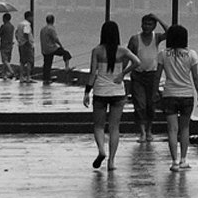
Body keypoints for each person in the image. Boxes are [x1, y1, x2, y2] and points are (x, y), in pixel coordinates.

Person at [84, 20, 132, 170]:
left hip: (100, 92)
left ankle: (101, 151)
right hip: (118, 92)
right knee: (114, 127)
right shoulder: (122, 50)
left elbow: (92, 73)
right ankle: (111, 162)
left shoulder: (97, 51)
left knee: (98, 126)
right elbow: (137, 61)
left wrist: (87, 92)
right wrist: (123, 74)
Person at [157, 23, 198, 172]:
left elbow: (157, 76)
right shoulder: (191, 54)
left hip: (169, 94)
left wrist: (155, 92)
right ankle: (184, 160)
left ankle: (174, 162)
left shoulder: (163, 54)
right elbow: (196, 77)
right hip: (186, 96)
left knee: (172, 129)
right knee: (184, 128)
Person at [126, 14, 164, 144]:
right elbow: (128, 56)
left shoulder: (156, 37)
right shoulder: (135, 39)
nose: (146, 27)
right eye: (145, 24)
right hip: (138, 75)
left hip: (152, 76)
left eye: (150, 24)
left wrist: (158, 18)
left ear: (154, 26)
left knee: (151, 104)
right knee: (140, 104)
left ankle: (149, 131)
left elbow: (170, 32)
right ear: (141, 24)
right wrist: (121, 73)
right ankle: (142, 132)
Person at [38, 14, 73, 79]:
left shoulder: (43, 29)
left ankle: (46, 79)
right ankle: (67, 67)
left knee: (47, 65)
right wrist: (61, 46)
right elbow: (55, 39)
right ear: (53, 21)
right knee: (66, 53)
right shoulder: (51, 29)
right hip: (52, 49)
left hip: (44, 50)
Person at [0, 12, 15, 80]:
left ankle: (11, 71)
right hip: (10, 45)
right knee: (7, 60)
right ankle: (4, 74)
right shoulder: (12, 27)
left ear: (5, 19)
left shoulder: (3, 26)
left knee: (5, 60)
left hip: (3, 45)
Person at [17, 11, 35, 81]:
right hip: (26, 45)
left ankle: (21, 77)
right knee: (29, 61)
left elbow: (16, 33)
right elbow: (26, 34)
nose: (33, 18)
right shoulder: (27, 24)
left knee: (22, 61)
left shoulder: (20, 24)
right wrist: (29, 43)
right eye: (32, 17)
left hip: (21, 44)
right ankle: (28, 77)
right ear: (29, 17)